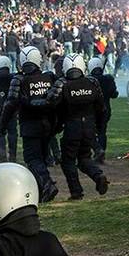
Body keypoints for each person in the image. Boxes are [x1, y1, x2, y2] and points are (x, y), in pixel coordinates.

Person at [0, 47, 59, 202]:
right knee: (42, 157)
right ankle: (41, 191)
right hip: (48, 125)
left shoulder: (19, 79)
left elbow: (10, 104)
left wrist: (2, 126)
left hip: (30, 125)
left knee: (33, 159)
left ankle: (47, 184)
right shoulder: (49, 77)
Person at [47, 55, 109, 198]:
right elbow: (101, 107)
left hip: (71, 127)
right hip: (89, 127)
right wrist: (98, 127)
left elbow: (50, 101)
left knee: (68, 160)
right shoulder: (92, 82)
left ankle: (76, 191)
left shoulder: (62, 83)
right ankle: (98, 176)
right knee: (84, 158)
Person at [87, 57, 118, 163]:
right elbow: (114, 94)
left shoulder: (88, 80)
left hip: (92, 111)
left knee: (89, 132)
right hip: (105, 110)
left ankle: (97, 151)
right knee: (102, 132)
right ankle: (101, 153)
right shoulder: (108, 79)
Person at [0, 55, 17, 162]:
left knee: (0, 135)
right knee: (12, 133)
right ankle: (13, 156)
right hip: (11, 110)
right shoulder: (13, 77)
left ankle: (2, 158)